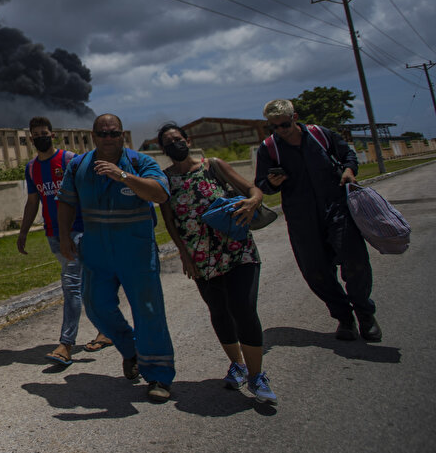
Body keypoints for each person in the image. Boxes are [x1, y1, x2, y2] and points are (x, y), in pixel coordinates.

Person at [57, 113, 176, 401]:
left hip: (136, 250)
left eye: (114, 133)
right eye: (103, 133)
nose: (108, 138)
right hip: (96, 249)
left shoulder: (140, 162)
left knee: (148, 310)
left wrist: (121, 175)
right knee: (96, 306)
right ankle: (131, 348)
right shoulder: (79, 165)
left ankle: (158, 375)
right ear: (93, 136)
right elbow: (66, 201)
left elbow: (161, 194)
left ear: (122, 135)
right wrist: (64, 237)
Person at [157, 123, 276, 404]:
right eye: (168, 143)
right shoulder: (166, 180)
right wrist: (184, 255)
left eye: (178, 139)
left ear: (188, 140)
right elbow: (170, 222)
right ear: (163, 150)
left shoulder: (213, 166)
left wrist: (253, 202)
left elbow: (252, 189)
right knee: (219, 311)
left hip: (237, 250)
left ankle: (257, 376)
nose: (175, 145)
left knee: (243, 309)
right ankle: (238, 365)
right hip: (200, 257)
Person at [254, 99, 379, 342]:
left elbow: (348, 155)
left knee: (355, 262)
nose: (280, 130)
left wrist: (349, 170)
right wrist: (271, 183)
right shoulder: (269, 148)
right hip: (302, 218)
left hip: (337, 209)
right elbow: (262, 184)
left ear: (295, 117)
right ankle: (344, 317)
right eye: (274, 126)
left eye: (284, 124)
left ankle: (365, 313)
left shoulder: (321, 135)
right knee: (315, 271)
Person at [16, 116, 111, 366]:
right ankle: (106, 329)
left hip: (78, 230)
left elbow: (89, 190)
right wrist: (23, 231)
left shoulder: (70, 160)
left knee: (71, 284)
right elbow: (33, 201)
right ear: (31, 139)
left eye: (44, 133)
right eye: (36, 135)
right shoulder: (32, 168)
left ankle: (66, 344)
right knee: (84, 285)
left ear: (53, 135)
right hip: (53, 233)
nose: (41, 138)